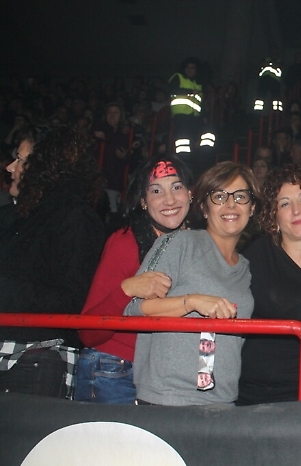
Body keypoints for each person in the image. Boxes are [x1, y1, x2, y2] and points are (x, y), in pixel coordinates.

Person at [124, 162, 258, 406]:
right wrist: (192, 302)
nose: (231, 204)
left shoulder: (247, 268)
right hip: (168, 399)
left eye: (240, 196)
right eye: (219, 196)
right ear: (204, 208)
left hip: (223, 401)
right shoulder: (181, 243)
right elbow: (134, 309)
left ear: (252, 207)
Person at [75, 154, 194, 404]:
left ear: (190, 194)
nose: (169, 199)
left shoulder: (197, 243)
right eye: (156, 191)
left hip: (162, 375)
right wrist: (127, 289)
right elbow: (88, 332)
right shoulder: (125, 242)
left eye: (176, 187)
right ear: (143, 202)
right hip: (114, 369)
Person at [0, 125, 104, 398]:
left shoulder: (74, 219)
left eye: (20, 160)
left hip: (37, 357)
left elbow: (72, 300)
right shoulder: (12, 216)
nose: (10, 167)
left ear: (45, 168)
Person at [237, 165, 301, 405]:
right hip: (254, 394)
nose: (296, 210)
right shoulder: (258, 255)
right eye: (284, 204)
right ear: (274, 217)